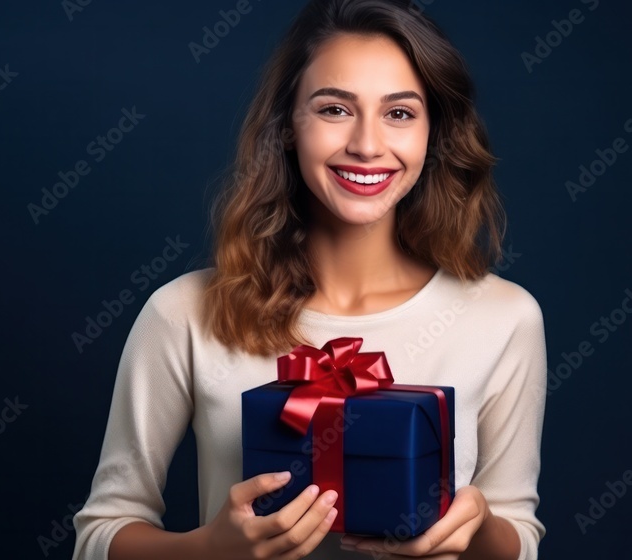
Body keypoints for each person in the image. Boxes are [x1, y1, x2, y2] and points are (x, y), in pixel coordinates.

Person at [71, 0, 547, 558]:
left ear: (433, 134)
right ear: (287, 127)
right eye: (334, 110)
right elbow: (99, 535)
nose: (367, 145)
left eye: (400, 113)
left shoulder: (505, 317)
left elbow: (519, 537)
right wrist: (209, 550)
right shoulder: (183, 311)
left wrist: (476, 530)